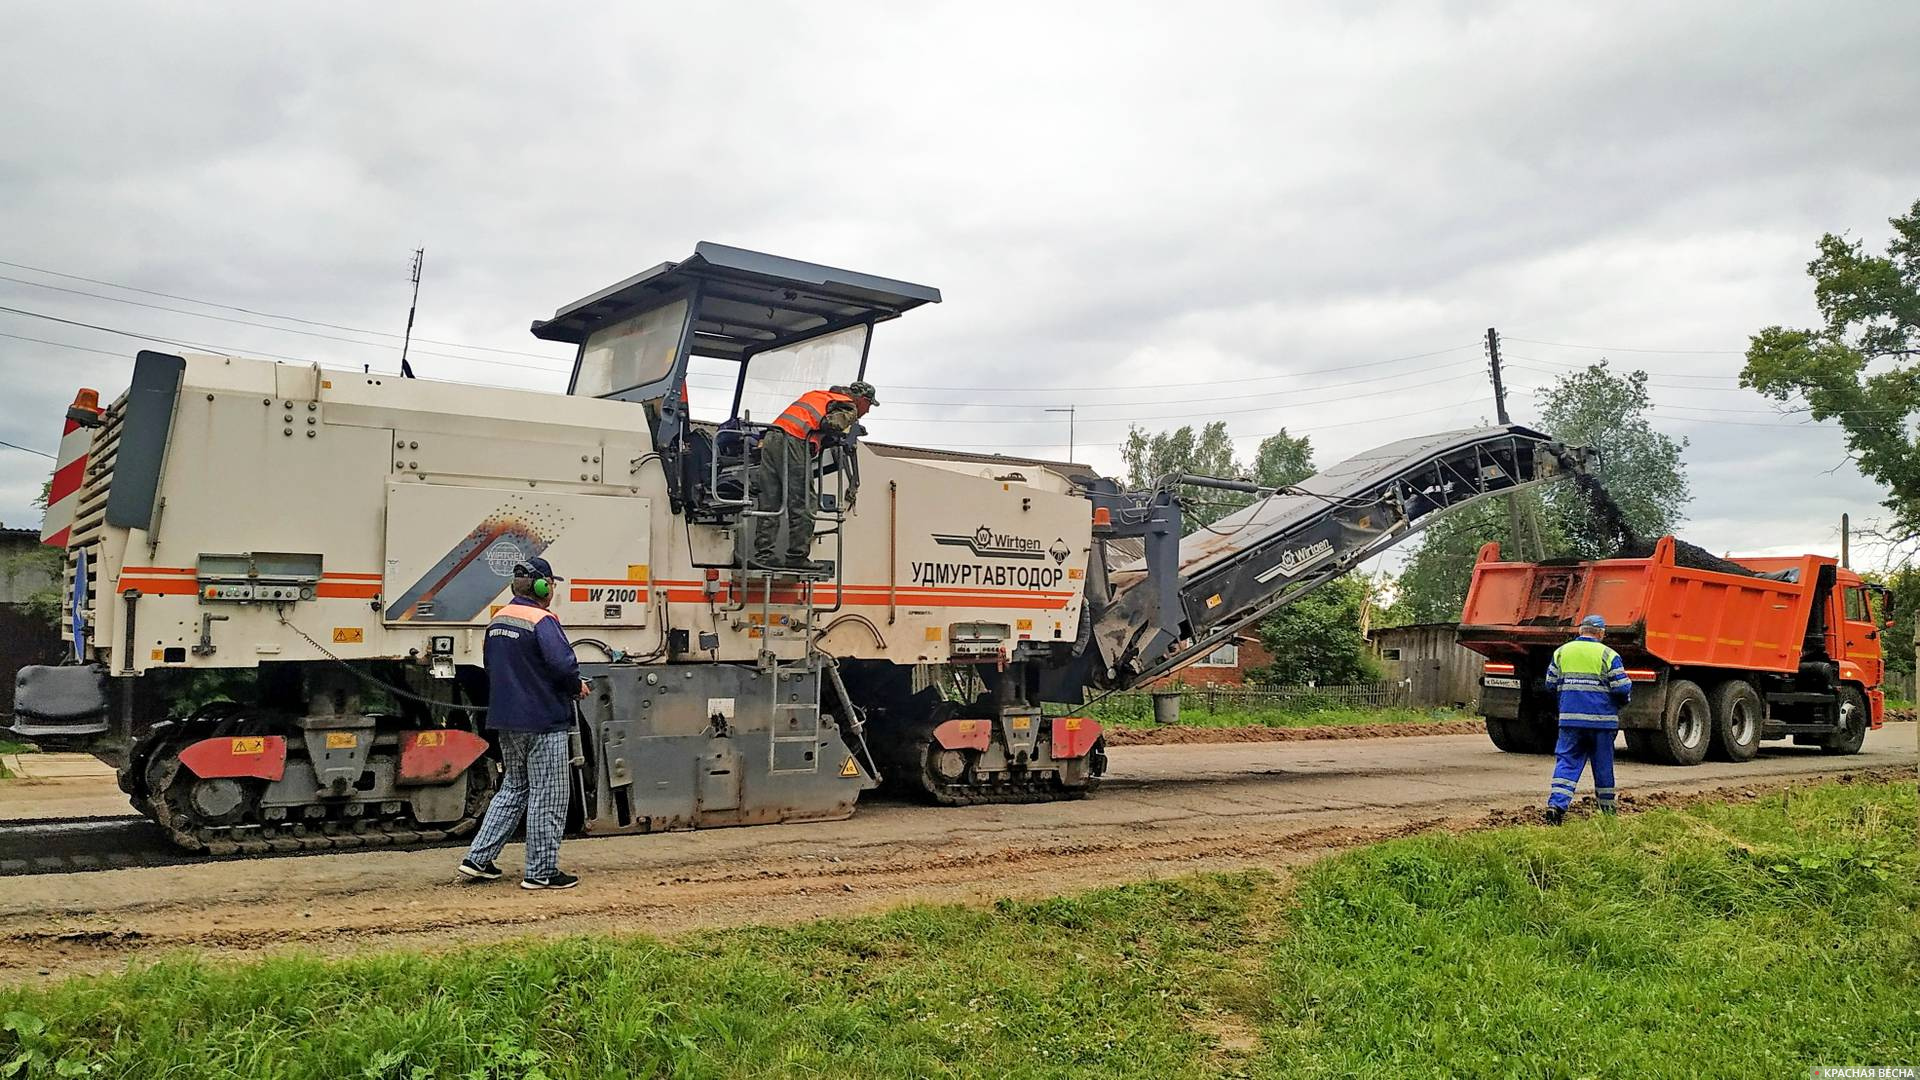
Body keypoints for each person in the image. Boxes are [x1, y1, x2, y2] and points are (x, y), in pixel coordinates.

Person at [459, 556, 591, 889]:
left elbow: (491, 665)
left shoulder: (499, 619)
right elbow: (562, 666)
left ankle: (478, 858)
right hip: (544, 721)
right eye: (551, 584)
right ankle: (542, 872)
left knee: (513, 789)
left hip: (508, 720)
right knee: (550, 795)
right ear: (542, 586)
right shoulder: (542, 620)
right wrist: (577, 687)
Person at [753, 379, 875, 572]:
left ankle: (763, 555)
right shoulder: (848, 405)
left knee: (770, 500)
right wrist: (840, 431)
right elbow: (831, 423)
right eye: (868, 405)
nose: (867, 411)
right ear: (862, 399)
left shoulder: (821, 395)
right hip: (794, 440)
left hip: (771, 438)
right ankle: (796, 557)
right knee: (804, 502)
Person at [1541, 613, 1633, 825]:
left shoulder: (1561, 652)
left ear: (1580, 630)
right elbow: (1621, 687)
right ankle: (1608, 813)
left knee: (1567, 763)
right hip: (1602, 722)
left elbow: (1550, 684)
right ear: (1601, 633)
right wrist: (1622, 701)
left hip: (1570, 721)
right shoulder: (1608, 654)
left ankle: (1556, 807)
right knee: (1603, 766)